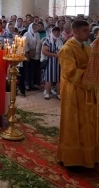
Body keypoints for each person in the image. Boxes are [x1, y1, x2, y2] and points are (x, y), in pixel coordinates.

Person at [57, 20, 98, 168]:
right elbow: (70, 72)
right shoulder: (67, 49)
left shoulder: (86, 48)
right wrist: (90, 76)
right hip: (72, 92)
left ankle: (87, 157)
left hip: (85, 91)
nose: (89, 33)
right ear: (76, 32)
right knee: (73, 123)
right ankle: (72, 159)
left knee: (87, 123)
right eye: (85, 31)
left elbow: (92, 65)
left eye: (88, 30)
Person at [41, 26, 63, 100]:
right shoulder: (47, 40)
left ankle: (58, 93)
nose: (56, 33)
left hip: (58, 63)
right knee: (48, 78)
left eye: (58, 32)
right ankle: (47, 93)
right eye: (55, 32)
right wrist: (54, 55)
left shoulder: (61, 40)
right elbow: (44, 51)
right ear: (52, 32)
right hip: (50, 62)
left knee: (58, 79)